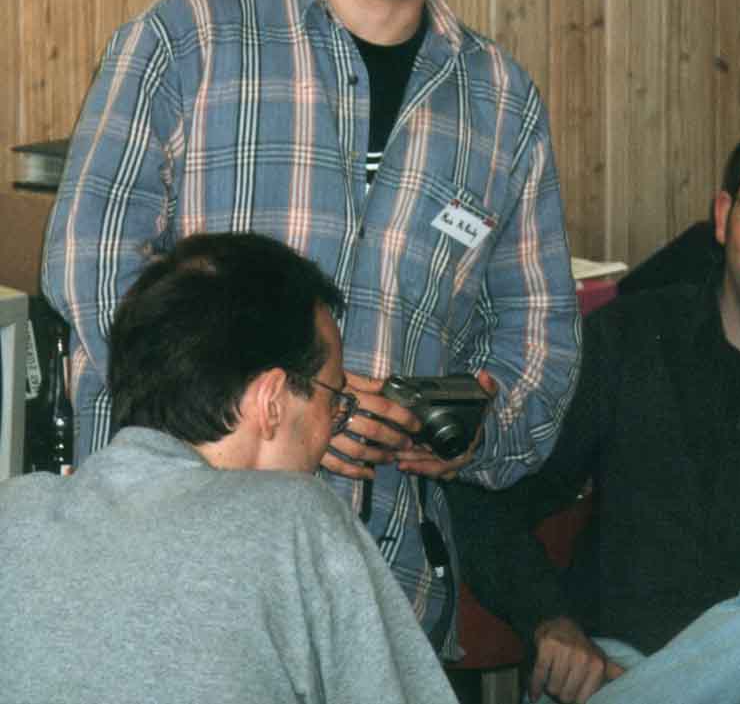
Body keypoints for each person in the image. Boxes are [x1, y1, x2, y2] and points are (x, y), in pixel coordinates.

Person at [41, 0, 580, 650]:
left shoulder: (504, 104)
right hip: (172, 571)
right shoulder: (188, 39)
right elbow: (91, 278)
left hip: (385, 595)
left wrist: (450, 430)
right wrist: (284, 406)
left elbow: (541, 350)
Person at [0, 232, 461, 704]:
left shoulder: (13, 510)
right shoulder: (297, 519)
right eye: (334, 399)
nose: (332, 426)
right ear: (272, 401)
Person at [447, 115, 740, 703]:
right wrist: (549, 620)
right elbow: (487, 499)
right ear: (722, 216)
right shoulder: (630, 340)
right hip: (617, 664)